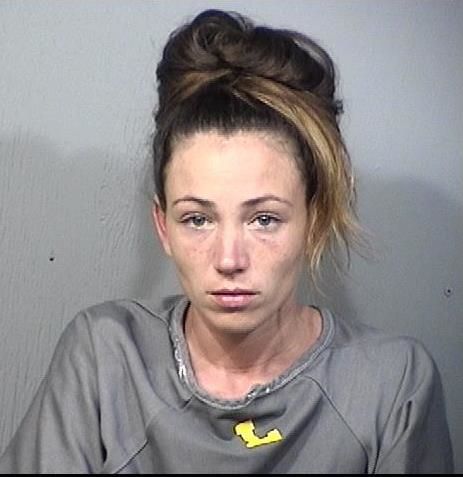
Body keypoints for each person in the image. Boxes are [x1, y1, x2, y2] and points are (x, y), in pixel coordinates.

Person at [0, 8, 454, 474]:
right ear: (163, 226)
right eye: (197, 219)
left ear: (314, 221)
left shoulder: (391, 386)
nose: (229, 259)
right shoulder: (105, 356)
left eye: (264, 219)